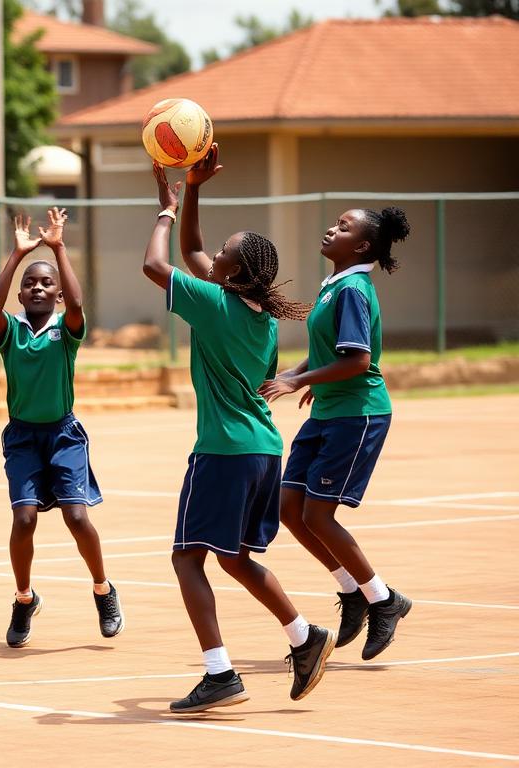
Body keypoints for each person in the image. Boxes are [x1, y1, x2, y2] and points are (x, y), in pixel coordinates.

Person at [145, 149, 333, 714]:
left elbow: (157, 264)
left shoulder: (212, 304)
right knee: (235, 558)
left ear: (231, 270)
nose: (214, 252)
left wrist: (165, 212)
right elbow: (193, 253)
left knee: (187, 558)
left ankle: (219, 672)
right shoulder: (259, 315)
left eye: (223, 250)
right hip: (263, 451)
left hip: (224, 452)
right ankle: (304, 636)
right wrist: (193, 189)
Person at [259, 203, 412, 661]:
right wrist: (296, 374)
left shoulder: (352, 290)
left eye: (343, 227)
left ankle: (384, 600)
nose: (331, 229)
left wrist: (300, 381)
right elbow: (332, 350)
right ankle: (351, 590)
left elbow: (358, 361)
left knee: (319, 516)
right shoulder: (335, 285)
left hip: (357, 414)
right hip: (329, 411)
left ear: (361, 246)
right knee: (289, 509)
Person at [0, 206, 123, 648]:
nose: (38, 287)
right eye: (30, 283)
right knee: (23, 519)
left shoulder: (66, 330)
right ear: (21, 294)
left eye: (47, 283)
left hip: (64, 435)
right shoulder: (10, 331)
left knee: (76, 516)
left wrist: (59, 247)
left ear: (58, 295)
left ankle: (103, 589)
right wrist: (16, 255)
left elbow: (79, 304)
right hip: (23, 436)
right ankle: (24, 599)